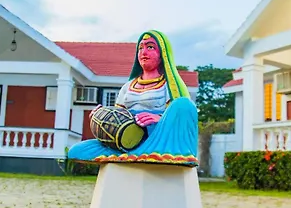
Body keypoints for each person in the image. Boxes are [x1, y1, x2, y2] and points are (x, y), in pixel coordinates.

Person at [67, 30, 198, 166]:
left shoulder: (168, 86)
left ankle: (152, 153)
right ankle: (135, 153)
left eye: (150, 47)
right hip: (126, 141)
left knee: (184, 104)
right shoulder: (128, 86)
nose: (144, 52)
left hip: (157, 138)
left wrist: (159, 119)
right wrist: (101, 115)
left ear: (163, 54)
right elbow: (118, 115)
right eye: (140, 48)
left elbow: (180, 116)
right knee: (77, 150)